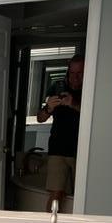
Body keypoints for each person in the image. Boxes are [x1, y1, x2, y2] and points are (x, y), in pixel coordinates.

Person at [37, 54, 84, 212]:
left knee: (84, 194)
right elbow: (41, 119)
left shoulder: (91, 90)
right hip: (58, 149)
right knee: (56, 194)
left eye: (80, 73)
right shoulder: (57, 88)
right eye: (72, 73)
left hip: (83, 152)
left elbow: (97, 116)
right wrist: (48, 108)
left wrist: (74, 104)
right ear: (67, 71)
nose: (75, 77)